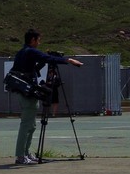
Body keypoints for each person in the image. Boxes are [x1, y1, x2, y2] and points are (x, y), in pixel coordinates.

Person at [10, 29, 82, 165]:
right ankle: (20, 156)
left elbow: (30, 67)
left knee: (31, 125)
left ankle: (26, 153)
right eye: (38, 40)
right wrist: (68, 60)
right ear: (32, 40)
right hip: (27, 93)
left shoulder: (21, 52)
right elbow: (48, 58)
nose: (39, 42)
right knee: (26, 125)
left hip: (26, 92)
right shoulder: (30, 51)